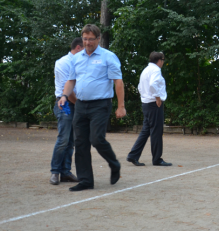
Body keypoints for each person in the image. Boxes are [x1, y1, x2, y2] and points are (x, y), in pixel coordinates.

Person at [58, 24, 126, 191]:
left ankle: (114, 164)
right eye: (85, 39)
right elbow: (71, 81)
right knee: (80, 143)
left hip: (100, 104)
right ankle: (86, 180)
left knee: (96, 139)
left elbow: (118, 81)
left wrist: (121, 106)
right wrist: (65, 96)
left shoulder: (108, 56)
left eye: (91, 39)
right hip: (80, 105)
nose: (87, 42)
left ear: (98, 39)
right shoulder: (76, 58)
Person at [126, 52, 172, 167]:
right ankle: (157, 159)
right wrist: (157, 97)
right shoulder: (156, 70)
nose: (163, 62)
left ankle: (133, 155)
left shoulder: (146, 70)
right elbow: (152, 84)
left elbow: (140, 87)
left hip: (146, 103)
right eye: (163, 60)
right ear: (159, 60)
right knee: (156, 131)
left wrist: (145, 97)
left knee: (146, 131)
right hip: (154, 103)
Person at [49, 38, 83, 185]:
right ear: (78, 48)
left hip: (75, 104)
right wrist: (82, 106)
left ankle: (65, 172)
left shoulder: (80, 62)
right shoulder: (63, 62)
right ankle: (55, 172)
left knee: (71, 141)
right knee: (63, 139)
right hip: (65, 104)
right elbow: (67, 90)